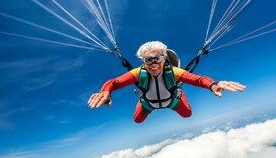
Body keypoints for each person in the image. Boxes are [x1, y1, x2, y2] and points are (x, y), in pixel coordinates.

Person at [88, 41, 246, 123]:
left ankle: (178, 91)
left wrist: (213, 85)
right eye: (149, 60)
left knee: (187, 114)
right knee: (137, 120)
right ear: (143, 62)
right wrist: (105, 91)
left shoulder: (174, 72)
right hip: (148, 103)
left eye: (158, 59)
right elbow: (114, 82)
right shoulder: (138, 73)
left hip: (172, 101)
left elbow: (198, 80)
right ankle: (147, 100)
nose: (154, 64)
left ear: (165, 59)